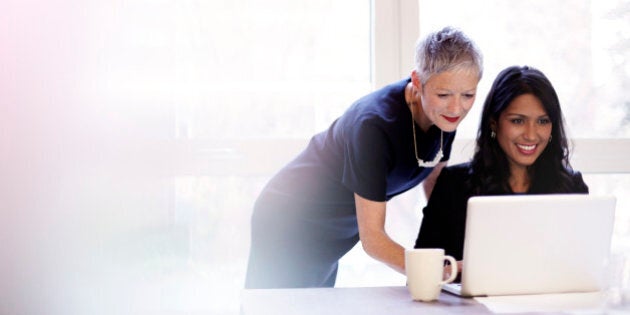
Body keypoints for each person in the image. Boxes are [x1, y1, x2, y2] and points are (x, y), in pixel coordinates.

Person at [245, 26, 483, 288]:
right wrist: (437, 271)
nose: (457, 107)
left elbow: (435, 184)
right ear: (417, 81)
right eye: (444, 94)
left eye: (468, 95)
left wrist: (460, 246)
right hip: (290, 220)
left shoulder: (444, 114)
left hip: (335, 234)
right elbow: (374, 240)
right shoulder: (374, 127)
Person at [414, 65, 589, 271]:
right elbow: (420, 273)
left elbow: (585, 268)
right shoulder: (454, 185)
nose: (531, 135)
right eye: (518, 121)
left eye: (543, 121)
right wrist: (454, 270)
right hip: (473, 303)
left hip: (552, 303)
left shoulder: (572, 188)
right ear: (494, 123)